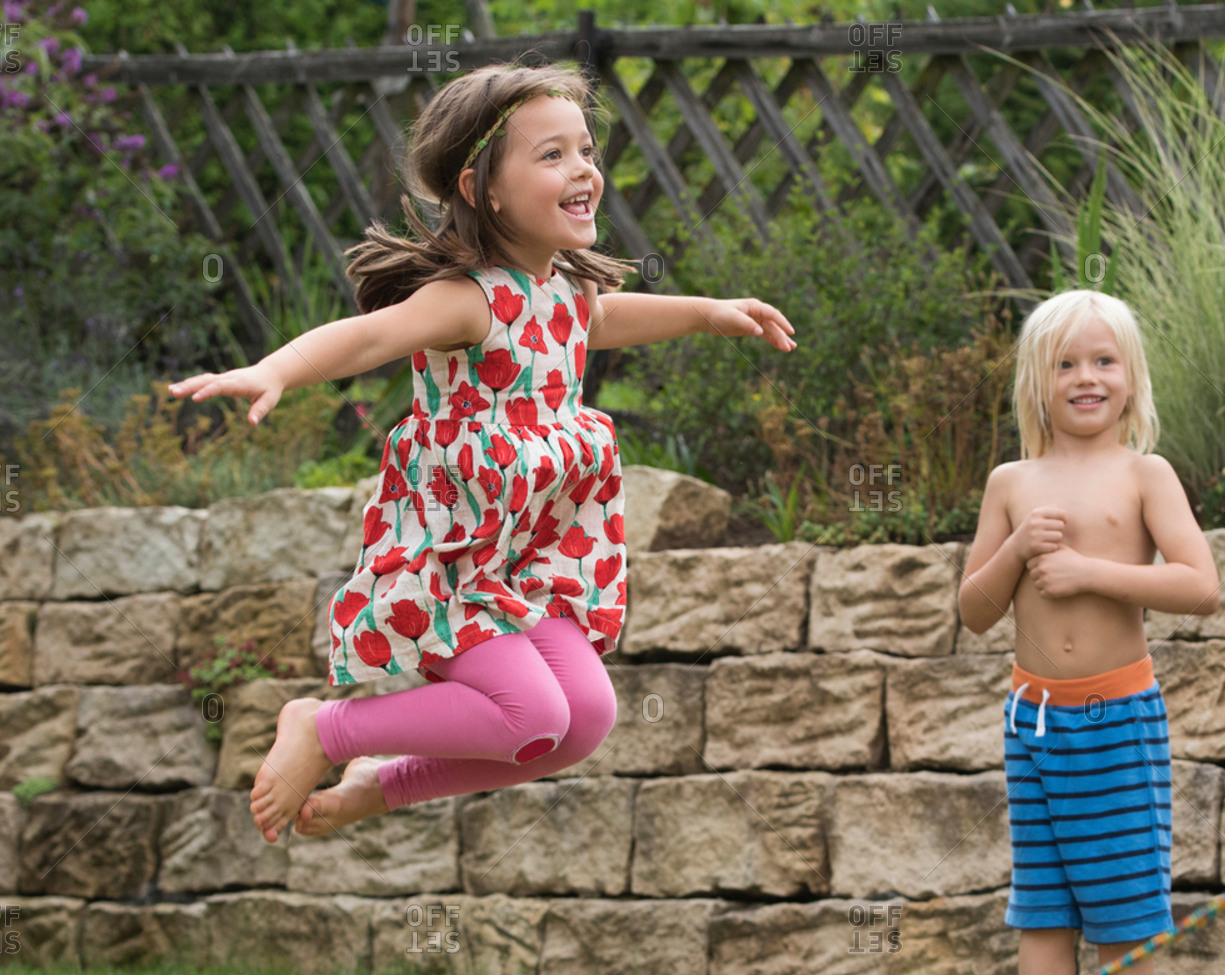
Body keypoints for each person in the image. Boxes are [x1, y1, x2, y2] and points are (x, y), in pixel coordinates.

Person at [170, 62, 795, 842]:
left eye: (586, 151)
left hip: (528, 552)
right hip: (460, 553)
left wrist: (706, 312)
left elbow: (598, 323)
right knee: (528, 711)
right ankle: (324, 729)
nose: (583, 171)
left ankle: (378, 789)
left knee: (582, 719)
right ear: (482, 189)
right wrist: (275, 371)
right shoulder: (468, 298)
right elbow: (367, 335)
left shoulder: (567, 289)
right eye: (552, 155)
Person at [958, 289, 1221, 975]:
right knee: (1042, 905)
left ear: (1130, 379)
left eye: (1103, 361)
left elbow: (1199, 586)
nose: (1085, 377)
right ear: (1037, 381)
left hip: (1116, 718)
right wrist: (1013, 553)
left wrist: (1087, 572)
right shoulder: (1011, 482)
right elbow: (972, 609)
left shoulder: (1145, 474)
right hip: (1031, 721)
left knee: (1124, 906)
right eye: (1065, 364)